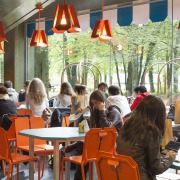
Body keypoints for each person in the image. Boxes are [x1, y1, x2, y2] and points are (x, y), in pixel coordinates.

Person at [66, 90, 123, 180]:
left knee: (85, 153)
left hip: (113, 145)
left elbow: (106, 127)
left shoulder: (114, 112)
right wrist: (82, 113)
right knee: (86, 155)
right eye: (93, 104)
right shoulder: (97, 111)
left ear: (102, 101)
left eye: (96, 103)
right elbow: (94, 129)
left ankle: (80, 145)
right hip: (102, 143)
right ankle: (81, 145)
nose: (95, 106)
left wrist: (102, 111)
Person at [117, 95, 176, 180]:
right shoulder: (151, 130)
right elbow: (156, 168)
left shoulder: (127, 125)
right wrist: (170, 158)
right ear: (159, 114)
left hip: (124, 175)